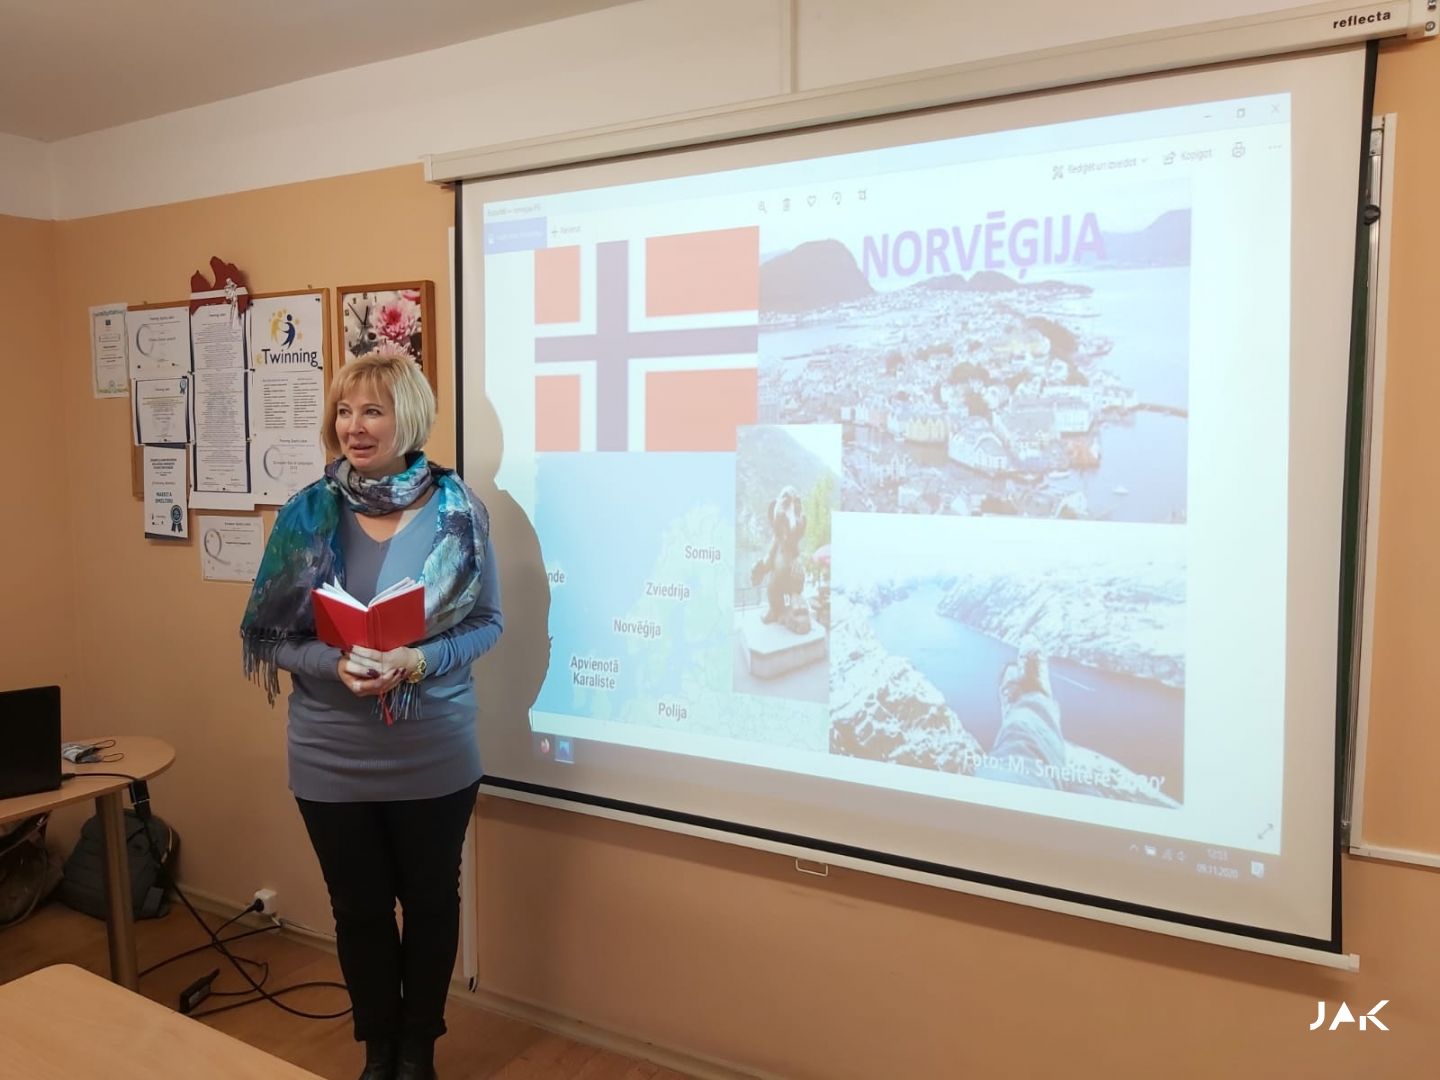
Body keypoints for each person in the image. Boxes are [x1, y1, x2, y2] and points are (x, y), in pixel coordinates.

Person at [240, 354, 502, 1080]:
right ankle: (378, 1051)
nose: (353, 426)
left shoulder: (459, 513)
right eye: (345, 411)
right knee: (357, 910)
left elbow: (487, 623)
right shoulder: (305, 513)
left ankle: (418, 1051)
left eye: (373, 411)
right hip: (329, 753)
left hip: (434, 750)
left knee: (430, 902)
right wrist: (336, 665)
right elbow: (270, 636)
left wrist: (417, 661)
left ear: (407, 420)